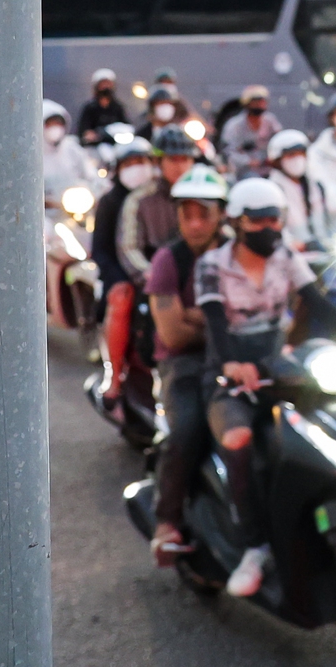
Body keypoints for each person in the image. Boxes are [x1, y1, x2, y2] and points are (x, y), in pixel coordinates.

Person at [195, 176, 336, 598]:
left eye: (276, 218)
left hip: (278, 365)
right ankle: (253, 545)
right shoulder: (212, 264)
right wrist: (233, 363)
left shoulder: (286, 255)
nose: (270, 227)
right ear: (237, 222)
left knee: (323, 424)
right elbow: (215, 323)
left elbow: (317, 299)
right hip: (226, 372)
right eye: (259, 220)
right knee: (239, 439)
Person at [145, 165, 231, 568]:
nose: (195, 223)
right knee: (190, 426)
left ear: (222, 215)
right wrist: (219, 320)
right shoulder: (168, 259)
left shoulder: (240, 251)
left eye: (205, 213)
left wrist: (196, 315)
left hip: (235, 355)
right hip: (183, 364)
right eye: (186, 213)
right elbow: (174, 335)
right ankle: (168, 520)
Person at [94, 136, 158, 405]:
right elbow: (100, 250)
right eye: (130, 163)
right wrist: (122, 277)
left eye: (141, 161)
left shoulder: (157, 197)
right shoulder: (110, 202)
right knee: (121, 299)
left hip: (155, 270)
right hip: (121, 274)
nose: (137, 168)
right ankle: (114, 375)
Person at [116, 125, 199, 282]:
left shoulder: (205, 194)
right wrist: (151, 274)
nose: (180, 166)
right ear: (158, 161)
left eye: (185, 159)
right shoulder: (141, 199)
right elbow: (129, 247)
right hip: (157, 280)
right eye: (173, 159)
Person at [265, 131, 335, 253]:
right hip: (296, 257)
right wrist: (298, 245)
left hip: (327, 252)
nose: (297, 159)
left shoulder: (314, 184)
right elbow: (272, 231)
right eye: (291, 155)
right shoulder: (272, 192)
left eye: (301, 154)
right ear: (277, 161)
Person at [40, 101, 100, 209]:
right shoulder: (33, 155)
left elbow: (90, 176)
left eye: (59, 124)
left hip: (74, 209)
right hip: (45, 213)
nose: (55, 128)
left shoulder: (72, 149)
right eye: (51, 124)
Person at [217, 85, 280, 179]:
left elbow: (280, 140)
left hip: (269, 170)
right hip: (244, 172)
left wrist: (273, 159)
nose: (260, 104)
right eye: (256, 101)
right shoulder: (234, 125)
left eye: (263, 101)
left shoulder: (271, 122)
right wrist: (248, 162)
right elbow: (228, 151)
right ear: (247, 103)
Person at [75, 70, 130, 146]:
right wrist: (91, 135)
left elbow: (126, 126)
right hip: (95, 148)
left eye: (108, 84)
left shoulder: (118, 107)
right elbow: (83, 130)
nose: (106, 87)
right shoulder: (90, 108)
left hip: (115, 145)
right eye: (103, 84)